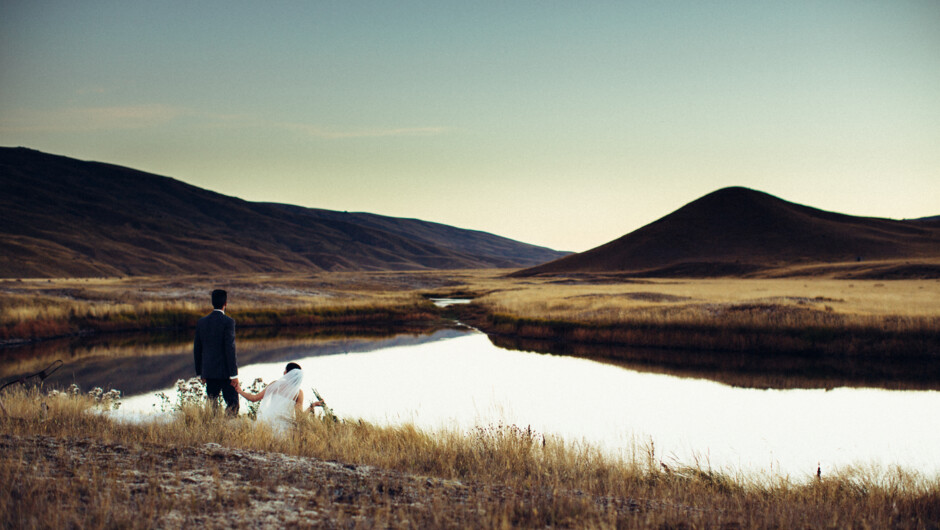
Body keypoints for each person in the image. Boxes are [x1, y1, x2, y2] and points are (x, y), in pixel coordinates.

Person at [235, 362, 323, 433]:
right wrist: (312, 406)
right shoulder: (298, 393)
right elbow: (300, 417)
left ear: (286, 373)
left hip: (267, 425)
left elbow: (253, 398)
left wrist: (239, 390)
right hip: (285, 429)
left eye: (284, 370)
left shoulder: (275, 385)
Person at [193, 289, 239, 415]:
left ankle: (212, 427)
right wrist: (234, 375)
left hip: (209, 372)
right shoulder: (228, 322)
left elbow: (197, 349)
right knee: (233, 403)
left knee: (212, 404)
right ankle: (230, 429)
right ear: (226, 304)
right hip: (226, 373)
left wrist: (199, 373)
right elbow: (230, 348)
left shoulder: (202, 322)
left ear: (212, 302)